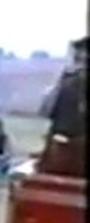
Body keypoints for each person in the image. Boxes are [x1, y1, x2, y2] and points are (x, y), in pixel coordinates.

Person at [37, 36, 87, 177]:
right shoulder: (66, 81)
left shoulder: (68, 80)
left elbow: (45, 111)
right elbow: (45, 110)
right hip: (62, 148)